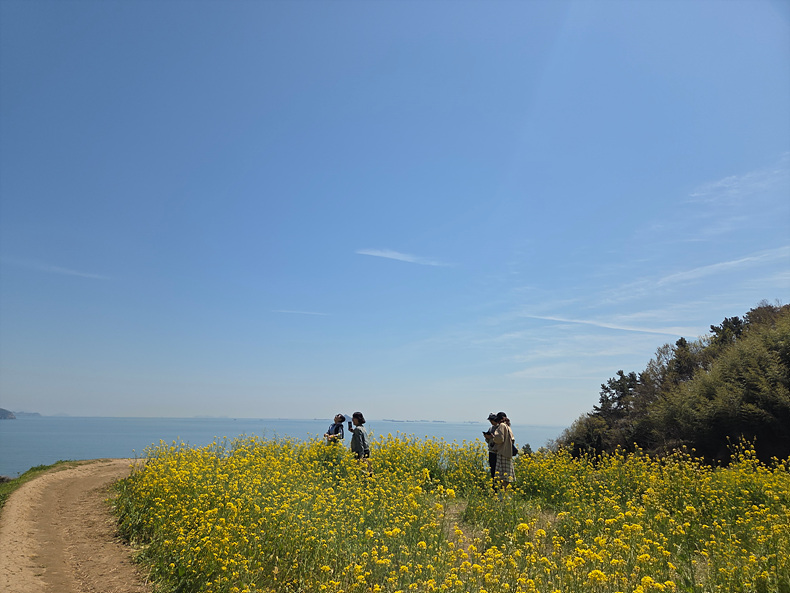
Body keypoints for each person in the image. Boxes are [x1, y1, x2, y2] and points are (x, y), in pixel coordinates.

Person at [492, 411, 516, 490]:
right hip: (508, 453)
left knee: (501, 476)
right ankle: (506, 493)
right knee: (507, 476)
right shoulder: (508, 426)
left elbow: (500, 439)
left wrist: (493, 437)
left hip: (502, 453)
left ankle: (503, 493)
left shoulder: (502, 425)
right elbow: (512, 439)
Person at [482, 413, 499, 488]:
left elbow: (500, 439)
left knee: (498, 470)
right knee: (492, 470)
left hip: (497, 452)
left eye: (491, 420)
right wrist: (487, 437)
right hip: (491, 451)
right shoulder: (491, 428)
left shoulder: (500, 428)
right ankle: (494, 486)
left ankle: (498, 486)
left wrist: (493, 437)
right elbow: (488, 441)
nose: (491, 422)